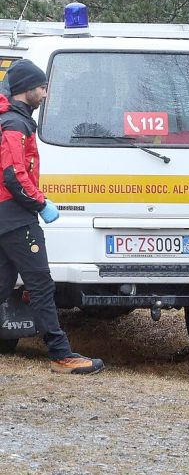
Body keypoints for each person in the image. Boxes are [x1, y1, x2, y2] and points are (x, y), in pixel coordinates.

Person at [0, 60, 104, 374]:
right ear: (26, 89)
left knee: (2, 285)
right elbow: (13, 175)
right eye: (43, 87)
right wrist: (40, 203)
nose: (46, 93)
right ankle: (61, 355)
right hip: (16, 217)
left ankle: (61, 353)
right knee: (42, 285)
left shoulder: (13, 121)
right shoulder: (14, 125)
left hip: (8, 214)